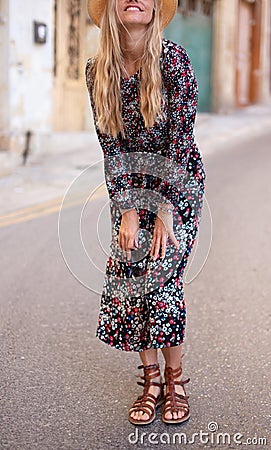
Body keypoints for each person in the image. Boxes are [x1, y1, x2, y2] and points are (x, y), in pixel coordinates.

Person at [85, 0, 206, 425]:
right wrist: (128, 210)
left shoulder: (173, 61)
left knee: (162, 278)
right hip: (131, 190)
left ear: (155, 9)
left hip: (177, 188)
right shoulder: (96, 70)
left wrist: (163, 210)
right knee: (134, 281)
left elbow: (181, 140)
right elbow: (111, 146)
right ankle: (150, 380)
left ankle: (174, 381)